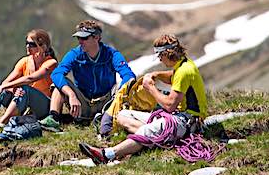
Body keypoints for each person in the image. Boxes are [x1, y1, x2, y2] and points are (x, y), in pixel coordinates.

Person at [79, 34, 209, 164]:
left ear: (167, 54)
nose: (160, 60)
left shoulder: (184, 72)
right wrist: (156, 75)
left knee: (144, 130)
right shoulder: (184, 65)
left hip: (187, 121)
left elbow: (170, 106)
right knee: (122, 116)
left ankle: (106, 154)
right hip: (180, 118)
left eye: (160, 56)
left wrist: (151, 88)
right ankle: (159, 138)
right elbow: (172, 77)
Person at [45, 20, 135, 134]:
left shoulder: (112, 54)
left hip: (107, 103)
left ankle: (111, 117)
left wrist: (121, 90)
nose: (80, 42)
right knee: (59, 85)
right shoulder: (74, 54)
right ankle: (53, 119)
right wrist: (71, 95)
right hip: (83, 103)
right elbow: (56, 74)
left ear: (96, 37)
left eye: (84, 38)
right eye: (79, 38)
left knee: (124, 85)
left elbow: (128, 75)